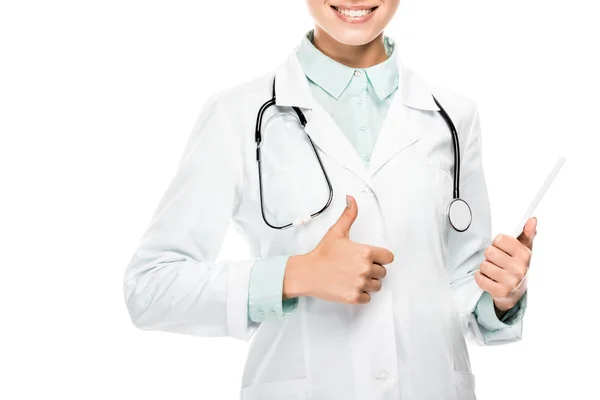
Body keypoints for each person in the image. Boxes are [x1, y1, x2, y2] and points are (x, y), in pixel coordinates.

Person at [123, 1, 538, 399]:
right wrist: (295, 275)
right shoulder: (236, 115)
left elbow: (461, 288)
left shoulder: (454, 117)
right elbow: (150, 288)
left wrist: (503, 295)